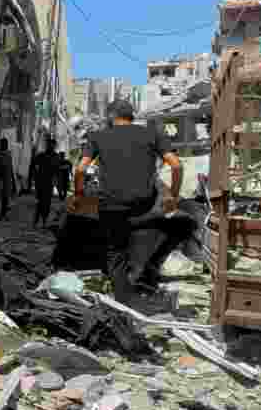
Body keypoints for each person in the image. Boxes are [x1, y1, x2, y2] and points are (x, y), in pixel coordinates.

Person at [73, 99, 182, 306]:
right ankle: (146, 277)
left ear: (111, 117)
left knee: (115, 252)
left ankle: (123, 303)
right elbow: (176, 165)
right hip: (145, 206)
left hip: (111, 206)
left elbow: (80, 170)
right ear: (131, 115)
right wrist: (173, 198)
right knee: (149, 238)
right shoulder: (153, 133)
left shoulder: (97, 136)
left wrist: (79, 195)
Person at [28, 136, 57, 228]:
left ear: (54, 146)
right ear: (47, 145)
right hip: (40, 182)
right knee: (40, 202)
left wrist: (56, 182)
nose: (50, 147)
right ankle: (37, 220)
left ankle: (43, 221)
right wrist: (33, 178)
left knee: (47, 203)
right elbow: (32, 165)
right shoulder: (41, 156)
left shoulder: (56, 157)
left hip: (49, 183)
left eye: (52, 145)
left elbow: (58, 170)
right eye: (49, 145)